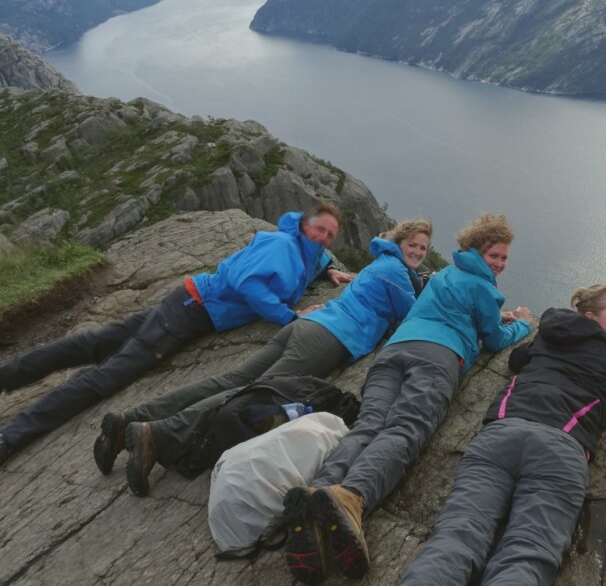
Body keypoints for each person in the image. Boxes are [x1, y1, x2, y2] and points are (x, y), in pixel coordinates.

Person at [281, 212, 534, 584]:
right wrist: (522, 323)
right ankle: (351, 496)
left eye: (503, 258)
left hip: (395, 351)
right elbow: (494, 340)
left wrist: (495, 317)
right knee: (405, 428)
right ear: (477, 251)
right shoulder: (483, 287)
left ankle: (316, 493)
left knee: (368, 425)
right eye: (494, 255)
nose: (499, 263)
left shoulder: (445, 274)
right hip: (437, 357)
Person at [94, 219, 432, 496]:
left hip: (308, 326)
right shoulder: (395, 272)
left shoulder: (383, 262)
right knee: (248, 392)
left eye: (423, 248)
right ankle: (157, 434)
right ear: (399, 242)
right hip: (328, 338)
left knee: (232, 380)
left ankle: (129, 420)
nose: (417, 252)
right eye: (413, 245)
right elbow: (415, 314)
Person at [0, 203, 351, 466]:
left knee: (96, 343)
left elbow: (310, 263)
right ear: (304, 224)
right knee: (106, 376)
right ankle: (11, 437)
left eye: (329, 235)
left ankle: (8, 375)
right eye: (319, 229)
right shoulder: (283, 245)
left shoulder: (307, 251)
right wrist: (290, 316)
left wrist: (329, 271)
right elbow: (246, 282)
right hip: (190, 312)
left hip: (187, 300)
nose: (323, 237)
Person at [398, 284, 606, 586]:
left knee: (458, 534)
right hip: (560, 449)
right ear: (590, 317)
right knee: (528, 552)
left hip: (502, 434)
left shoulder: (550, 333)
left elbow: (517, 359)